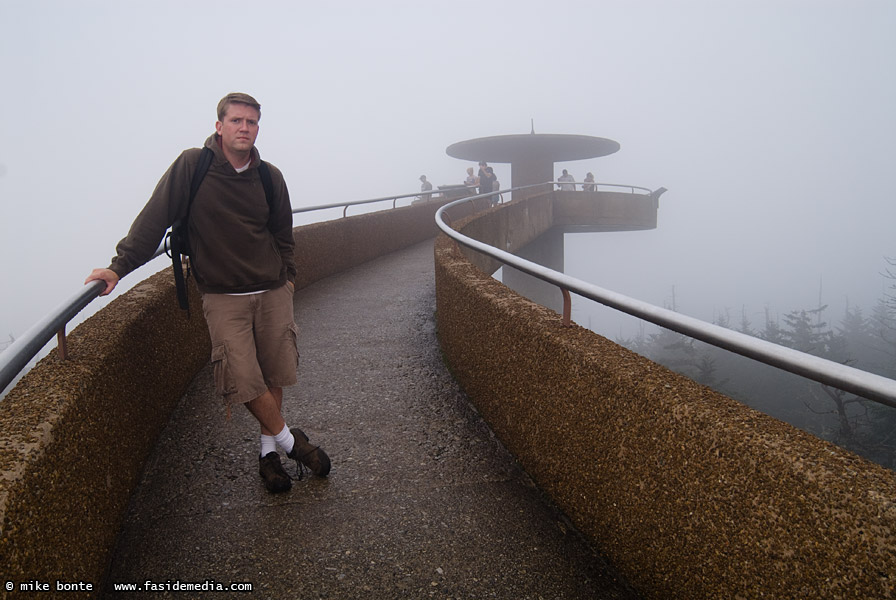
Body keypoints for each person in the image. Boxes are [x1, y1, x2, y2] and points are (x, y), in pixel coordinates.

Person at [85, 92, 330, 494]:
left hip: (271, 289)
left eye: (251, 122)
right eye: (236, 121)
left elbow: (283, 235)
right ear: (219, 126)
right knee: (242, 377)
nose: (244, 128)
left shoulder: (270, 176)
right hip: (222, 296)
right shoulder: (192, 166)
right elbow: (153, 219)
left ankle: (269, 455)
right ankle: (292, 443)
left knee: (272, 373)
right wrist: (119, 266)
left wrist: (287, 278)